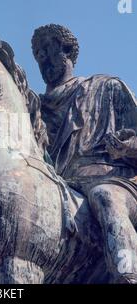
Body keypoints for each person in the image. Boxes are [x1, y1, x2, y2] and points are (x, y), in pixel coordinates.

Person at [31, 24, 137, 283]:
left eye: (48, 50)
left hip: (114, 181)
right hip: (63, 187)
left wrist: (127, 146)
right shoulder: (34, 108)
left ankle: (128, 275)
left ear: (66, 50)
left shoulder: (107, 88)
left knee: (105, 197)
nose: (43, 59)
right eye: (38, 54)